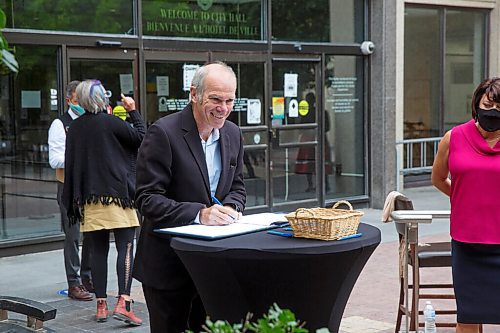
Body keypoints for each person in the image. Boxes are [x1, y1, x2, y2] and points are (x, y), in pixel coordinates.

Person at [133, 61, 246, 333]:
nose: (224, 108)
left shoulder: (233, 133)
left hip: (212, 266)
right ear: (194, 94)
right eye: (216, 99)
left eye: (230, 100)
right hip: (169, 265)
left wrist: (230, 207)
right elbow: (147, 199)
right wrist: (200, 214)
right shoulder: (163, 132)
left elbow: (238, 187)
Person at [62, 80, 145, 326]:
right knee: (126, 247)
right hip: (118, 195)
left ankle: (101, 305)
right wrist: (132, 109)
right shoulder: (111, 122)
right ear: (103, 99)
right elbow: (141, 137)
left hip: (89, 199)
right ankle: (124, 302)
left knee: (97, 250)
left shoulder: (75, 128)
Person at [432, 77, 500, 333]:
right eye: (488, 105)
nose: (492, 113)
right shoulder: (454, 137)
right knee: (468, 316)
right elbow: (438, 178)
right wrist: (463, 198)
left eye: (499, 109)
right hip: (466, 242)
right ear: (477, 104)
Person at [48, 80, 93, 301]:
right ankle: (74, 283)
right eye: (78, 100)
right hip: (69, 187)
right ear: (69, 100)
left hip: (90, 187)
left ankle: (87, 278)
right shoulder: (60, 124)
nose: (82, 104)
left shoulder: (91, 122)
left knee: (92, 234)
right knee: (73, 236)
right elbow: (55, 159)